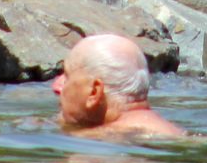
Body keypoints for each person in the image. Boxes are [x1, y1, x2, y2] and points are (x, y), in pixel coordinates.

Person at [53, 34, 186, 139]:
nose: (56, 86)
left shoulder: (97, 139)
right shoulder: (173, 132)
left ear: (94, 92)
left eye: (67, 76)